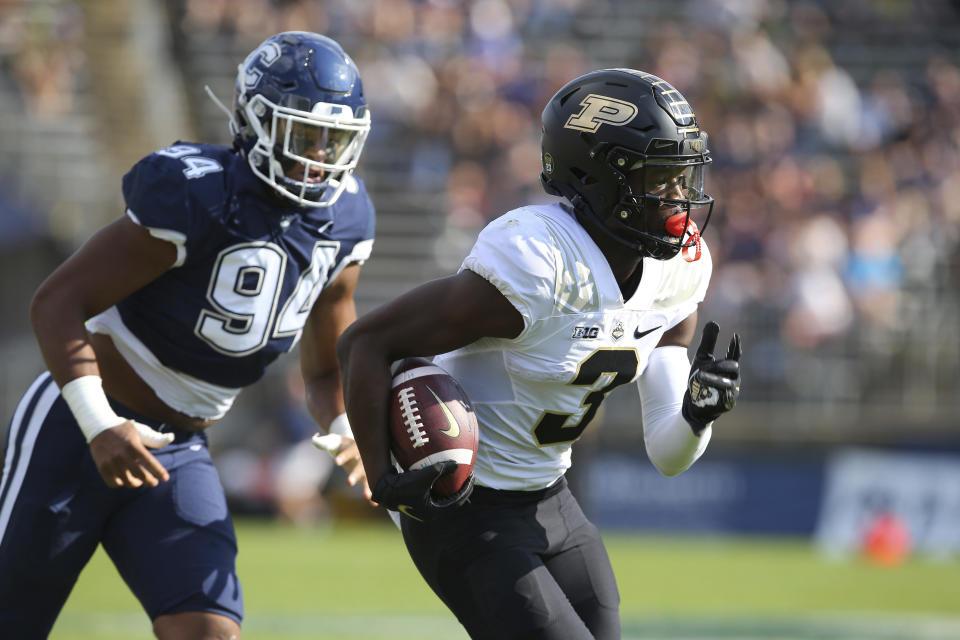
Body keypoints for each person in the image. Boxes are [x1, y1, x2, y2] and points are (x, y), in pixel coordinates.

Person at [336, 68, 743, 639]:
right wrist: (382, 475)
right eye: (662, 178)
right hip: (466, 509)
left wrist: (697, 415)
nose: (680, 197)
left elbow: (668, 454)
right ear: (600, 177)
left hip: (552, 496)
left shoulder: (678, 272)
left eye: (683, 177)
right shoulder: (539, 262)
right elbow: (365, 342)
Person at [0, 31, 373, 639]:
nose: (318, 159)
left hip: (180, 447)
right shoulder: (196, 192)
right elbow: (58, 301)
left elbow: (327, 369)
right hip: (77, 426)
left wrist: (344, 427)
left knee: (208, 629)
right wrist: (99, 424)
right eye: (304, 137)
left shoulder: (347, 219)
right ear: (255, 122)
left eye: (333, 142)